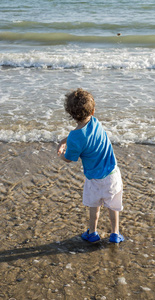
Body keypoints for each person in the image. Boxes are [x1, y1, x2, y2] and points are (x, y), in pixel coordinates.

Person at [57, 88, 124, 243]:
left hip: (93, 179)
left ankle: (92, 233)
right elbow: (83, 134)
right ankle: (115, 234)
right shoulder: (95, 122)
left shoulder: (75, 136)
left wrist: (61, 153)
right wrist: (66, 140)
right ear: (93, 111)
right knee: (113, 207)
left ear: (71, 115)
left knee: (94, 207)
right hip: (112, 175)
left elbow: (69, 158)